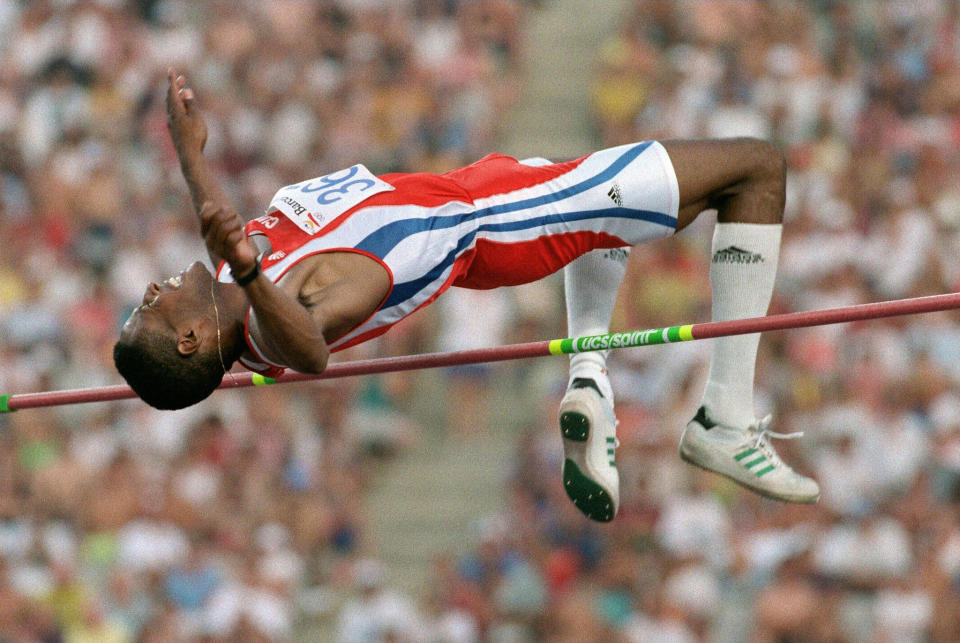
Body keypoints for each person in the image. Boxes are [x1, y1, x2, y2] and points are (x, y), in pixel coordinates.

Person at [114, 69, 819, 523]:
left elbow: (228, 243)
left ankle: (590, 383)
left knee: (651, 212)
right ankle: (724, 419)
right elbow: (309, 349)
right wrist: (245, 270)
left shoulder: (240, 286)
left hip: (487, 189)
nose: (150, 290)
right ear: (191, 340)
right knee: (755, 170)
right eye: (150, 307)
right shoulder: (282, 309)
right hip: (511, 217)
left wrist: (192, 160)